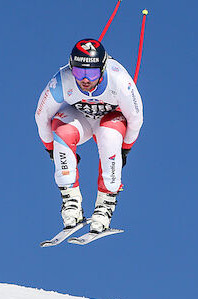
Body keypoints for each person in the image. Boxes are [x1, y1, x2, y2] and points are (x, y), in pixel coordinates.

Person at [35, 38, 144, 233]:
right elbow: (41, 115)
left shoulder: (119, 80)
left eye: (92, 73)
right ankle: (71, 204)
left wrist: (125, 149)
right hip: (81, 118)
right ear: (71, 68)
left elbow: (136, 118)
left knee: (109, 138)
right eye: (79, 72)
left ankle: (105, 206)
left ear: (102, 69)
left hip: (111, 119)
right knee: (61, 132)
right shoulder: (62, 80)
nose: (85, 79)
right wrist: (51, 149)